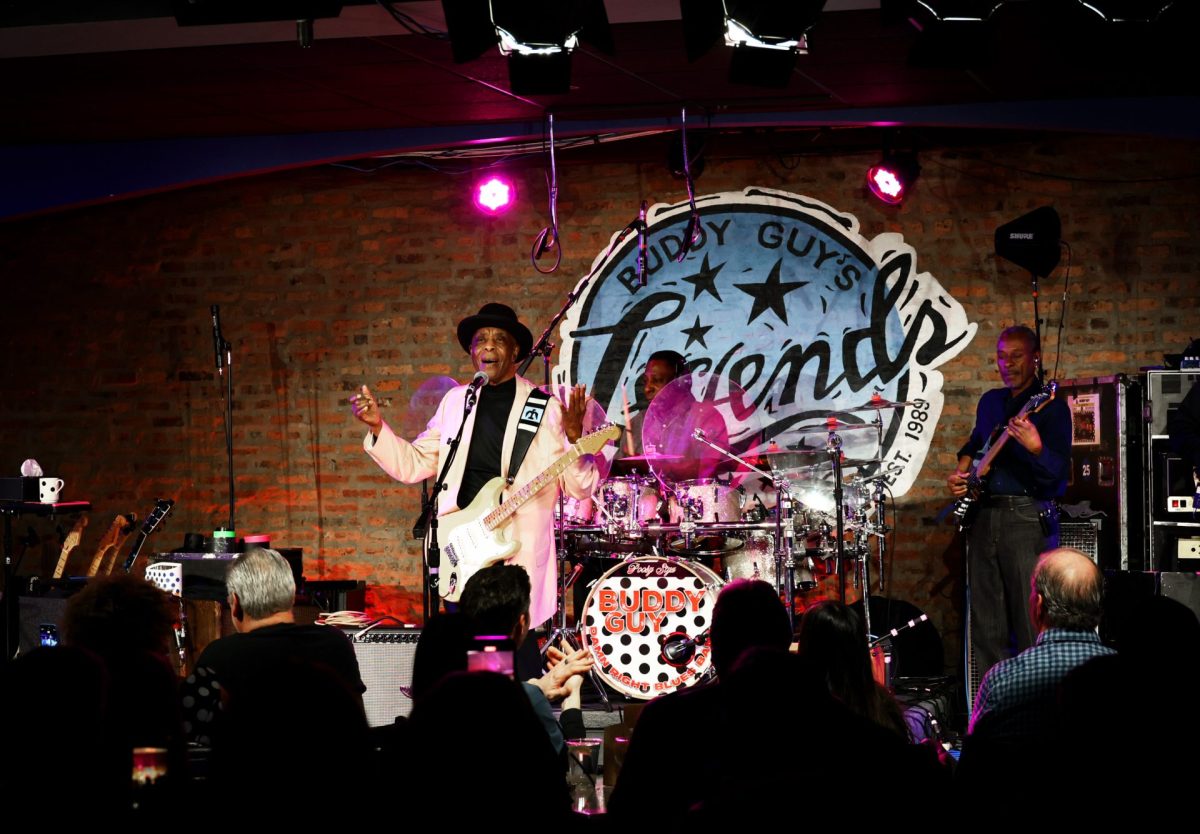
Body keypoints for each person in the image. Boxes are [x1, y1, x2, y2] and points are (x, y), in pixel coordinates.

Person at [352, 302, 600, 627]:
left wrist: (574, 439)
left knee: (513, 653)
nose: (489, 347)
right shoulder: (456, 401)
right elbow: (413, 464)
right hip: (464, 549)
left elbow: (581, 487)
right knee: (464, 651)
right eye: (481, 340)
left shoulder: (545, 408)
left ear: (515, 352)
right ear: (472, 352)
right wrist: (377, 428)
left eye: (499, 340)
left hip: (516, 550)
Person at [947, 325, 1070, 684]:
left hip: (1025, 518)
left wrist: (1036, 448)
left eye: (1016, 356)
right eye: (1002, 356)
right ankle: (992, 714)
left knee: (1030, 624)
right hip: (983, 516)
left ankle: (1035, 711)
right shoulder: (990, 402)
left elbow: (1059, 476)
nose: (1008, 363)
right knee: (987, 628)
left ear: (1035, 359)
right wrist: (962, 474)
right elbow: (974, 444)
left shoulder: (1050, 409)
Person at [967, 547, 1114, 742]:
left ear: (1038, 604)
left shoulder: (1001, 680)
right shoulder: (1131, 676)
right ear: (1098, 607)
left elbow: (973, 764)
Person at [458, 564, 592, 753]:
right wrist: (571, 702)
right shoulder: (530, 703)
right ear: (522, 624)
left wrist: (539, 686)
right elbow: (571, 768)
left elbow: (495, 692)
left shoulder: (444, 692)